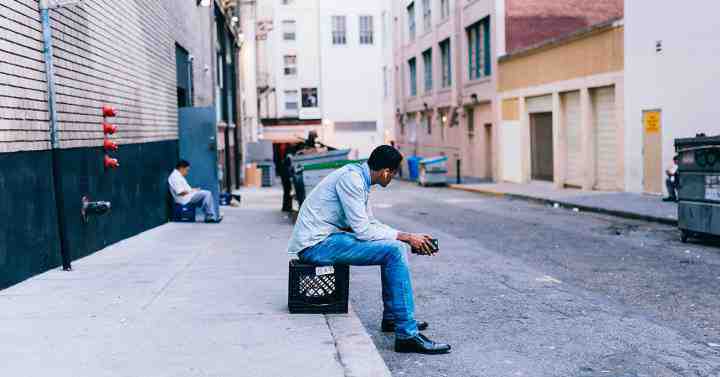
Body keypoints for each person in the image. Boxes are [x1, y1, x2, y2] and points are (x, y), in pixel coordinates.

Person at [288, 145, 451, 354]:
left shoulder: (360, 180)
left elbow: (370, 223)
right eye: (393, 173)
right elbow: (364, 231)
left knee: (395, 247)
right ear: (385, 172)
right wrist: (407, 237)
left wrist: (407, 236)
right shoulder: (352, 180)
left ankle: (393, 318)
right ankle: (407, 334)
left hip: (326, 239)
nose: (391, 178)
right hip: (316, 245)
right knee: (394, 251)